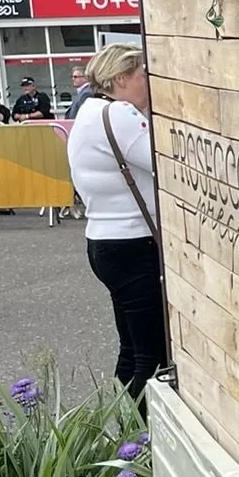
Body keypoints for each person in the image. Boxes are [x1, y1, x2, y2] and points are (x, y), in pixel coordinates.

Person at [65, 45, 164, 399]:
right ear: (121, 78)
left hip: (106, 242)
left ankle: (123, 427)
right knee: (152, 354)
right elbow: (166, 160)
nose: (149, 83)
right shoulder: (120, 114)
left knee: (133, 349)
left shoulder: (91, 111)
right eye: (143, 75)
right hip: (133, 244)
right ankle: (140, 432)